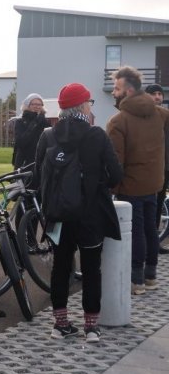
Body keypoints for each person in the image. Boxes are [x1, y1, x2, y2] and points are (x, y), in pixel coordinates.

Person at [36, 83, 123, 342]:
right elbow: (116, 174)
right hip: (90, 214)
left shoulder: (48, 135)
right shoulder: (96, 135)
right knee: (91, 268)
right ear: (84, 106)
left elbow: (37, 177)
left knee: (60, 267)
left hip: (58, 215)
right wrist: (98, 185)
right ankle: (91, 327)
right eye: (90, 103)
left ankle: (60, 324)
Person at [106, 67, 169, 295]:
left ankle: (137, 281)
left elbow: (115, 162)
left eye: (117, 88)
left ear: (129, 91)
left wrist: (112, 188)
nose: (114, 92)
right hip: (155, 182)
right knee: (151, 230)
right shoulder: (161, 114)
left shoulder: (118, 121)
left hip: (130, 185)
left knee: (137, 232)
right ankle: (151, 277)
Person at [145, 84, 169, 254]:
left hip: (165, 167)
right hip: (150, 169)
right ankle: (146, 245)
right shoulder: (144, 116)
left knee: (158, 205)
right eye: (154, 94)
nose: (158, 97)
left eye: (160, 94)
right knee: (149, 207)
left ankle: (154, 244)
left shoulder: (166, 116)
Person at [13, 93, 50, 170]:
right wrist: (35, 123)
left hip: (41, 161)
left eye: (40, 104)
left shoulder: (45, 122)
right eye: (34, 104)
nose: (37, 106)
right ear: (28, 105)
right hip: (24, 162)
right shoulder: (20, 122)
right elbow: (21, 142)